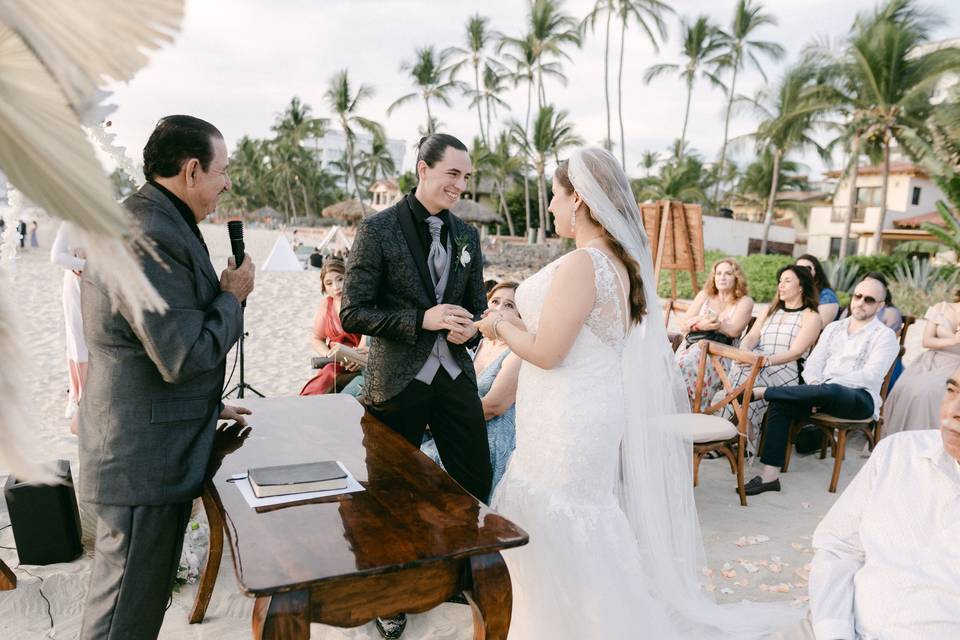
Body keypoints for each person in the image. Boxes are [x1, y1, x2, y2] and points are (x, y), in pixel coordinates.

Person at [475, 147, 796, 639]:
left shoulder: (585, 263)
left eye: (556, 198)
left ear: (578, 199)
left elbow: (547, 352)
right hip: (574, 408)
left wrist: (498, 323)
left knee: (560, 514)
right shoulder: (614, 264)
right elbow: (563, 338)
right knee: (569, 516)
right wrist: (513, 323)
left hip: (569, 416)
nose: (553, 209)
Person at [78, 115, 255, 640]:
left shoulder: (159, 219)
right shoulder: (149, 232)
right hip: (141, 459)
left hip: (150, 443)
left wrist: (208, 404)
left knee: (136, 605)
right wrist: (232, 298)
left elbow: (151, 343)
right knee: (123, 615)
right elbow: (181, 353)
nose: (227, 183)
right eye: (222, 171)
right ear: (192, 169)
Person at [340, 133, 492, 639]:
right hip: (396, 381)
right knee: (386, 494)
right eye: (453, 173)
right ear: (423, 169)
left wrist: (471, 330)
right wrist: (420, 319)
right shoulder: (377, 230)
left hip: (454, 381)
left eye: (466, 177)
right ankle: (390, 595)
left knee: (472, 479)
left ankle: (451, 575)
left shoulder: (468, 237)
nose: (460, 185)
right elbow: (353, 312)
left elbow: (477, 307)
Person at [809, 364, 960, 638]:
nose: (953, 411)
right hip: (839, 625)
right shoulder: (897, 451)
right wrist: (834, 631)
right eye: (952, 391)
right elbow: (838, 546)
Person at [747, 275, 899, 496]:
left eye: (869, 299)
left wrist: (825, 388)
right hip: (821, 391)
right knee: (780, 403)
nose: (860, 302)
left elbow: (871, 376)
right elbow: (813, 364)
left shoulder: (885, 337)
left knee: (833, 389)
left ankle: (764, 392)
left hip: (858, 398)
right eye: (858, 296)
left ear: (880, 305)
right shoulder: (834, 328)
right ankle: (770, 477)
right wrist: (817, 387)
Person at [422, 281, 523, 490]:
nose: (499, 309)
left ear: (520, 317)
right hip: (458, 424)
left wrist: (437, 423)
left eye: (509, 306)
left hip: (487, 436)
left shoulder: (516, 354)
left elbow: (493, 407)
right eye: (495, 301)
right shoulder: (476, 342)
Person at [716, 265, 821, 444]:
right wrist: (746, 353)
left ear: (802, 286)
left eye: (787, 281)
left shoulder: (811, 316)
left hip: (786, 371)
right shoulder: (769, 310)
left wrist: (763, 361)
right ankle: (740, 437)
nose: (781, 285)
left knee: (744, 377)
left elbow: (795, 353)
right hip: (757, 364)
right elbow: (751, 337)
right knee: (745, 371)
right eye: (780, 281)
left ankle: (725, 435)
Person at [674, 258, 754, 410]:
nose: (722, 277)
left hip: (722, 354)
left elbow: (734, 330)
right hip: (693, 346)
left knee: (684, 365)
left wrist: (707, 323)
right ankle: (684, 406)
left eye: (728, 273)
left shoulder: (744, 301)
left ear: (736, 277)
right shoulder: (705, 295)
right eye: (718, 273)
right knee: (679, 365)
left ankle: (690, 408)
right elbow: (684, 324)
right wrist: (701, 324)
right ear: (713, 277)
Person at [883, 291, 960, 437]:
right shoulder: (942, 307)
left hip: (956, 364)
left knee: (930, 391)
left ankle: (925, 440)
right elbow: (927, 341)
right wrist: (954, 340)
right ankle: (896, 438)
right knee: (904, 387)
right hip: (930, 360)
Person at [300, 258, 365, 395]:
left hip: (360, 360)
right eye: (329, 284)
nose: (336, 287)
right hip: (336, 363)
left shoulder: (363, 301)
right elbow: (316, 338)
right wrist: (329, 356)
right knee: (327, 376)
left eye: (340, 279)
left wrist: (357, 357)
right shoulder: (326, 305)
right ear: (324, 288)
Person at [50, 221, 88, 427]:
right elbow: (56, 257)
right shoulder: (69, 222)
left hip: (100, 285)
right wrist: (86, 266)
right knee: (77, 338)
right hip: (75, 285)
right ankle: (77, 396)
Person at [796, 254, 839, 329]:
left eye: (808, 268)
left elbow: (819, 327)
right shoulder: (795, 292)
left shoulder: (827, 296)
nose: (803, 272)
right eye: (798, 268)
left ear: (817, 271)